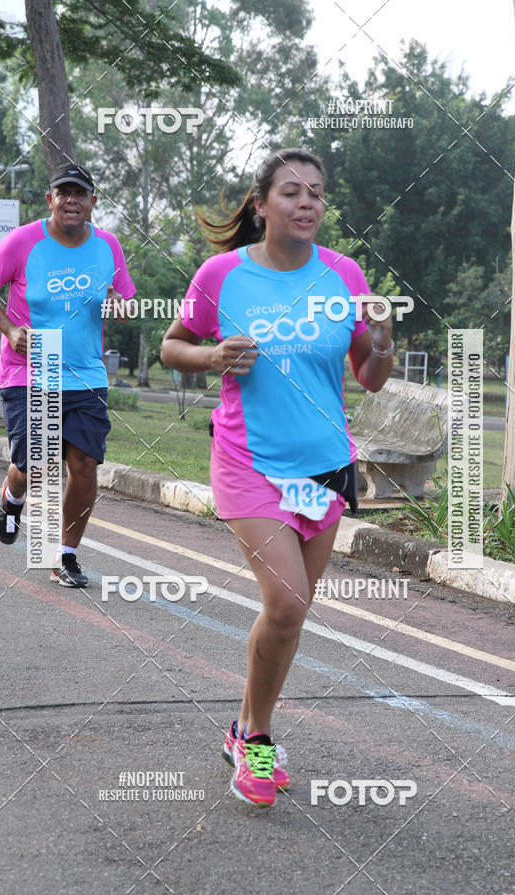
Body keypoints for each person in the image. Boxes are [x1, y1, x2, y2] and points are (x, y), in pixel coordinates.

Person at [161, 147, 394, 807]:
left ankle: (243, 726)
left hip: (325, 464)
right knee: (288, 600)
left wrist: (380, 338)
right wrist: (210, 355)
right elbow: (171, 345)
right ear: (260, 204)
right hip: (249, 460)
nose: (307, 203)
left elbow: (370, 378)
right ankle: (258, 739)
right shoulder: (221, 275)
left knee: (289, 617)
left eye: (317, 193)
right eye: (291, 191)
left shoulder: (344, 274)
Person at [0, 163, 135, 588]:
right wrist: (9, 330)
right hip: (29, 370)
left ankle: (66, 556)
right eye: (63, 193)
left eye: (80, 194)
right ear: (51, 200)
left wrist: (120, 305)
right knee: (37, 464)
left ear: (93, 202)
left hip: (86, 374)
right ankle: (12, 498)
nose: (71, 201)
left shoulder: (108, 246)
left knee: (83, 464)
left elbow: (125, 299)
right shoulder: (23, 241)